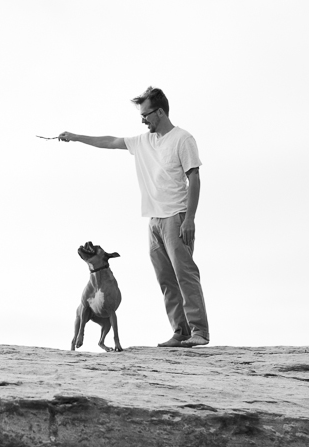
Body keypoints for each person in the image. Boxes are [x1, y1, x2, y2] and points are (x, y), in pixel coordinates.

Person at [58, 86, 209, 347]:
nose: (142, 119)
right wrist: (75, 136)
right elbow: (110, 141)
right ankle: (180, 331)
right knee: (165, 280)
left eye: (146, 114)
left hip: (176, 217)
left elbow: (194, 177)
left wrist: (190, 219)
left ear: (160, 112)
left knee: (185, 274)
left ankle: (199, 332)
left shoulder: (183, 139)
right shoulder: (143, 142)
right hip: (153, 222)